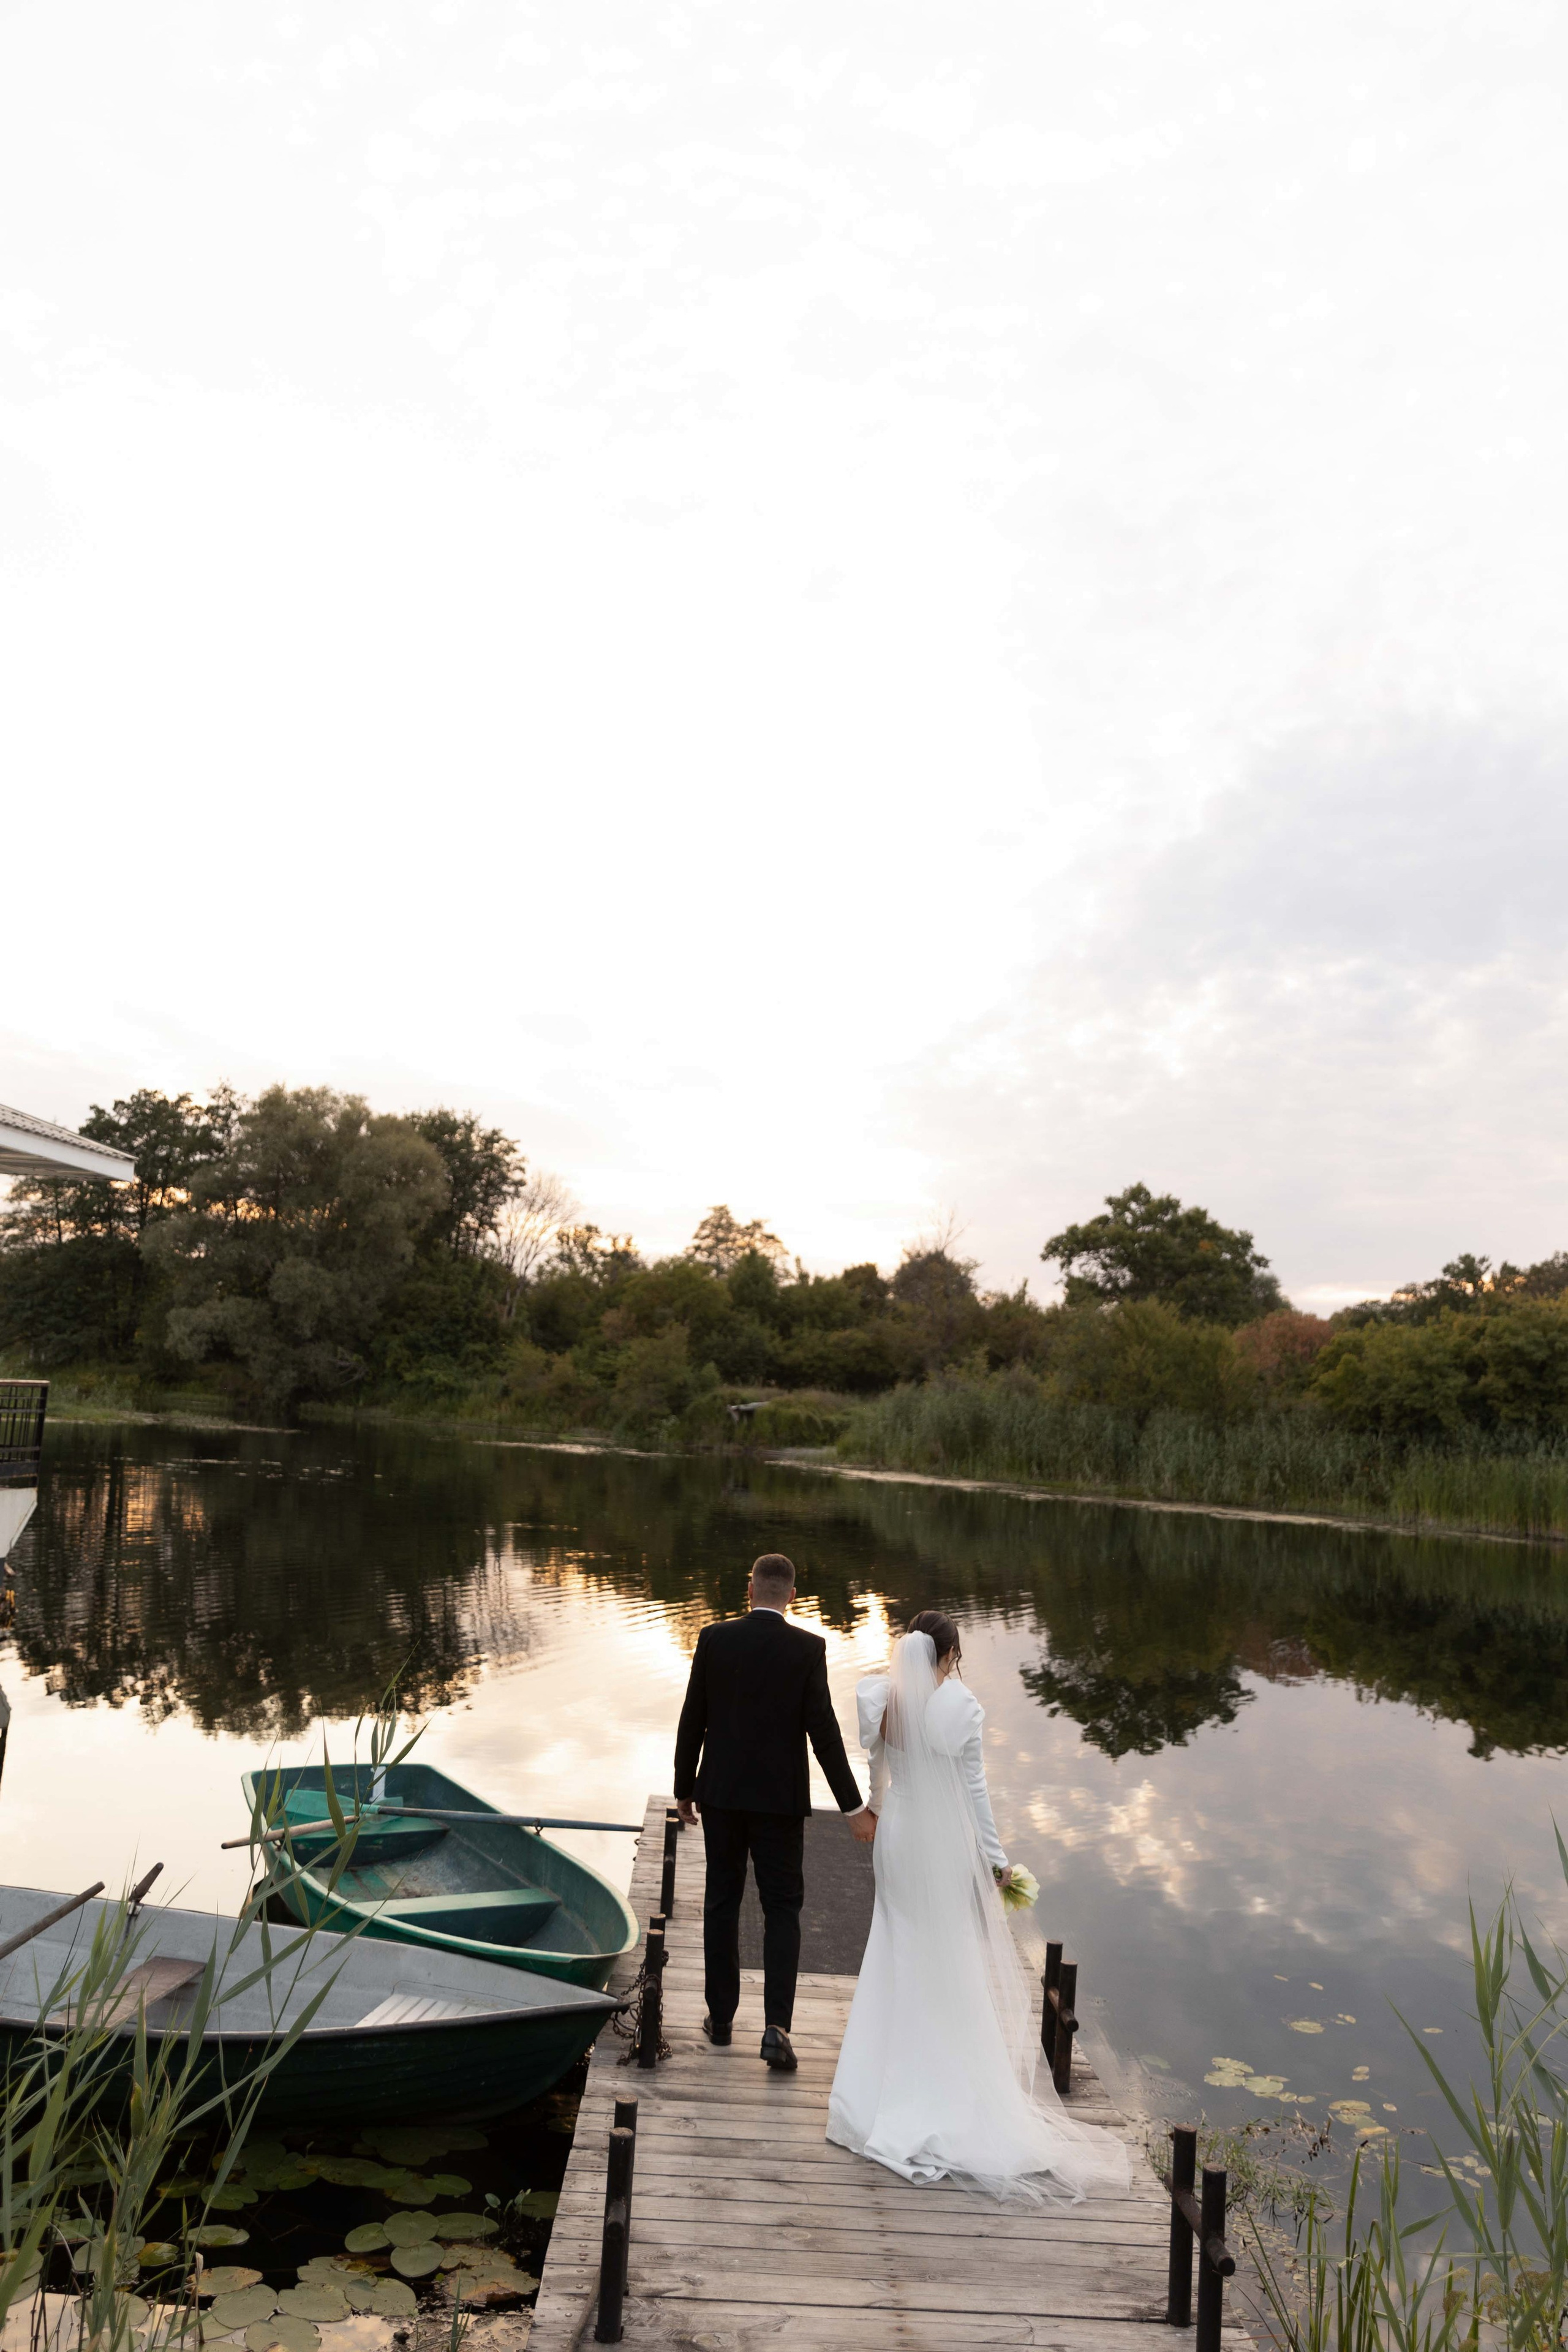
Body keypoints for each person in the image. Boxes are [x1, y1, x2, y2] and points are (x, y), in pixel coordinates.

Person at [827, 1610, 1129, 2203]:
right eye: (953, 1657)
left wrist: (874, 1809)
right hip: (940, 1846)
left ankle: (874, 2096)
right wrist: (997, 1862)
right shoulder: (958, 1706)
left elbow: (878, 1776)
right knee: (944, 1957)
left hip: (897, 1836)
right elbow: (975, 1790)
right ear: (946, 1656)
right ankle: (940, 2089)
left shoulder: (881, 1701)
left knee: (894, 1948)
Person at [673, 1551, 875, 2072]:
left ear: (749, 1589)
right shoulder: (808, 1648)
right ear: (791, 1595)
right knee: (781, 1909)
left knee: (722, 1900)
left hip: (719, 1795)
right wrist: (854, 1807)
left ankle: (720, 2022)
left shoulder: (715, 1638)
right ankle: (775, 2030)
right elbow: (825, 1735)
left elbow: (692, 1717)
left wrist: (683, 1788)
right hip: (780, 1805)